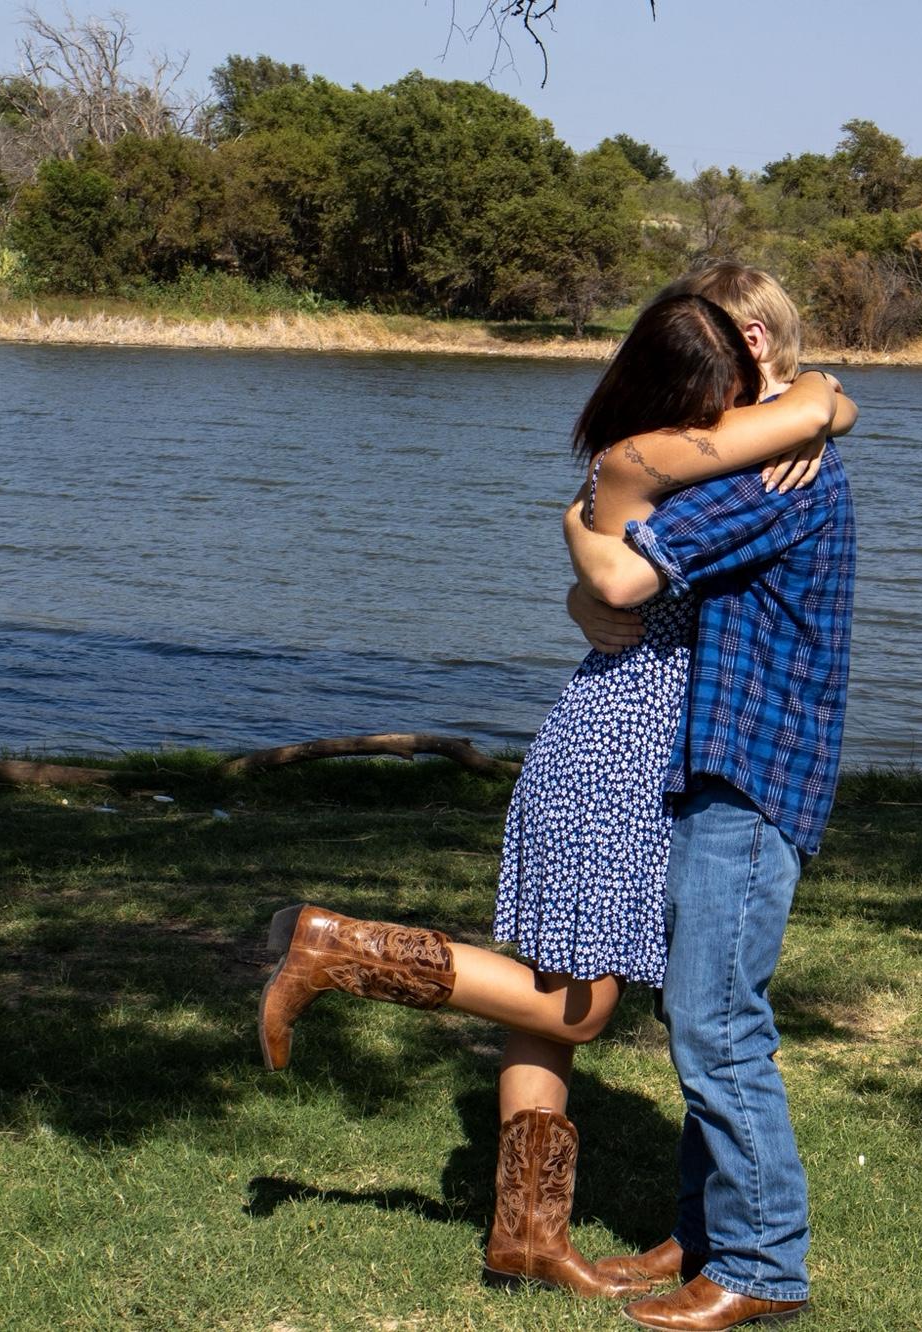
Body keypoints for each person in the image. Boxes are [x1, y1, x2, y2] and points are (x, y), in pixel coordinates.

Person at [257, 289, 853, 1301]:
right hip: (620, 749)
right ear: (686, 393)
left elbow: (619, 539)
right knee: (579, 1007)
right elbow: (621, 576)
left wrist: (824, 398)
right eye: (715, 394)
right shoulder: (652, 458)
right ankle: (341, 950)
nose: (727, 418)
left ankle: (526, 1236)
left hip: (611, 736)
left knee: (548, 1000)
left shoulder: (660, 458)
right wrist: (814, 405)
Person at [563, 263, 858, 1331]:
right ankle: (701, 1233)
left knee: (718, 1019)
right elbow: (613, 537)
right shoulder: (775, 441)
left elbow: (624, 574)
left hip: (751, 768)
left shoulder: (779, 474)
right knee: (701, 1006)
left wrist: (581, 543)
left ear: (752, 347)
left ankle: (763, 1262)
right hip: (717, 761)